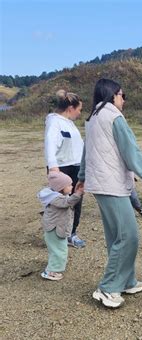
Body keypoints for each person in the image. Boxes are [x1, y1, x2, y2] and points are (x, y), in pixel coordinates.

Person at [77, 78, 142, 308]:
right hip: (111, 185)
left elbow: (88, 150)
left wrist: (82, 177)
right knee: (128, 236)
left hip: (101, 184)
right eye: (122, 95)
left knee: (116, 236)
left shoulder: (94, 116)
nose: (123, 100)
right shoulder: (113, 116)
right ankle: (107, 288)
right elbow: (132, 152)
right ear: (113, 95)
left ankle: (125, 280)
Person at [44, 90, 85, 248]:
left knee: (77, 200)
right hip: (62, 169)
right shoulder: (54, 122)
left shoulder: (69, 123)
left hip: (76, 167)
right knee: (60, 203)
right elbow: (50, 144)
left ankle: (71, 233)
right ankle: (56, 235)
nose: (80, 113)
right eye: (79, 109)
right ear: (70, 108)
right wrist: (53, 169)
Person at [37, 172, 84, 281]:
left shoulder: (58, 195)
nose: (72, 186)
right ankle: (51, 271)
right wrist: (78, 193)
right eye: (69, 185)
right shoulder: (57, 199)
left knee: (57, 248)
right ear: (61, 188)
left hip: (56, 228)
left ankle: (55, 265)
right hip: (55, 229)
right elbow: (67, 202)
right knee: (59, 250)